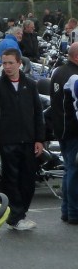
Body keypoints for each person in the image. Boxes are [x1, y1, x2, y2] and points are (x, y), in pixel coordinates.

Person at [0, 48, 45, 231]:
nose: (8, 66)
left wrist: (39, 139)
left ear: (19, 63)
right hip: (7, 140)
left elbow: (38, 113)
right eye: (4, 63)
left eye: (11, 63)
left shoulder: (31, 84)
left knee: (27, 181)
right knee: (10, 180)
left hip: (28, 140)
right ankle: (15, 217)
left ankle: (21, 213)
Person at [49, 43, 78, 224]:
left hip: (61, 128)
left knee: (69, 170)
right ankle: (74, 211)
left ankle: (67, 210)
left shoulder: (58, 72)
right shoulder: (75, 76)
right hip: (73, 130)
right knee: (74, 171)